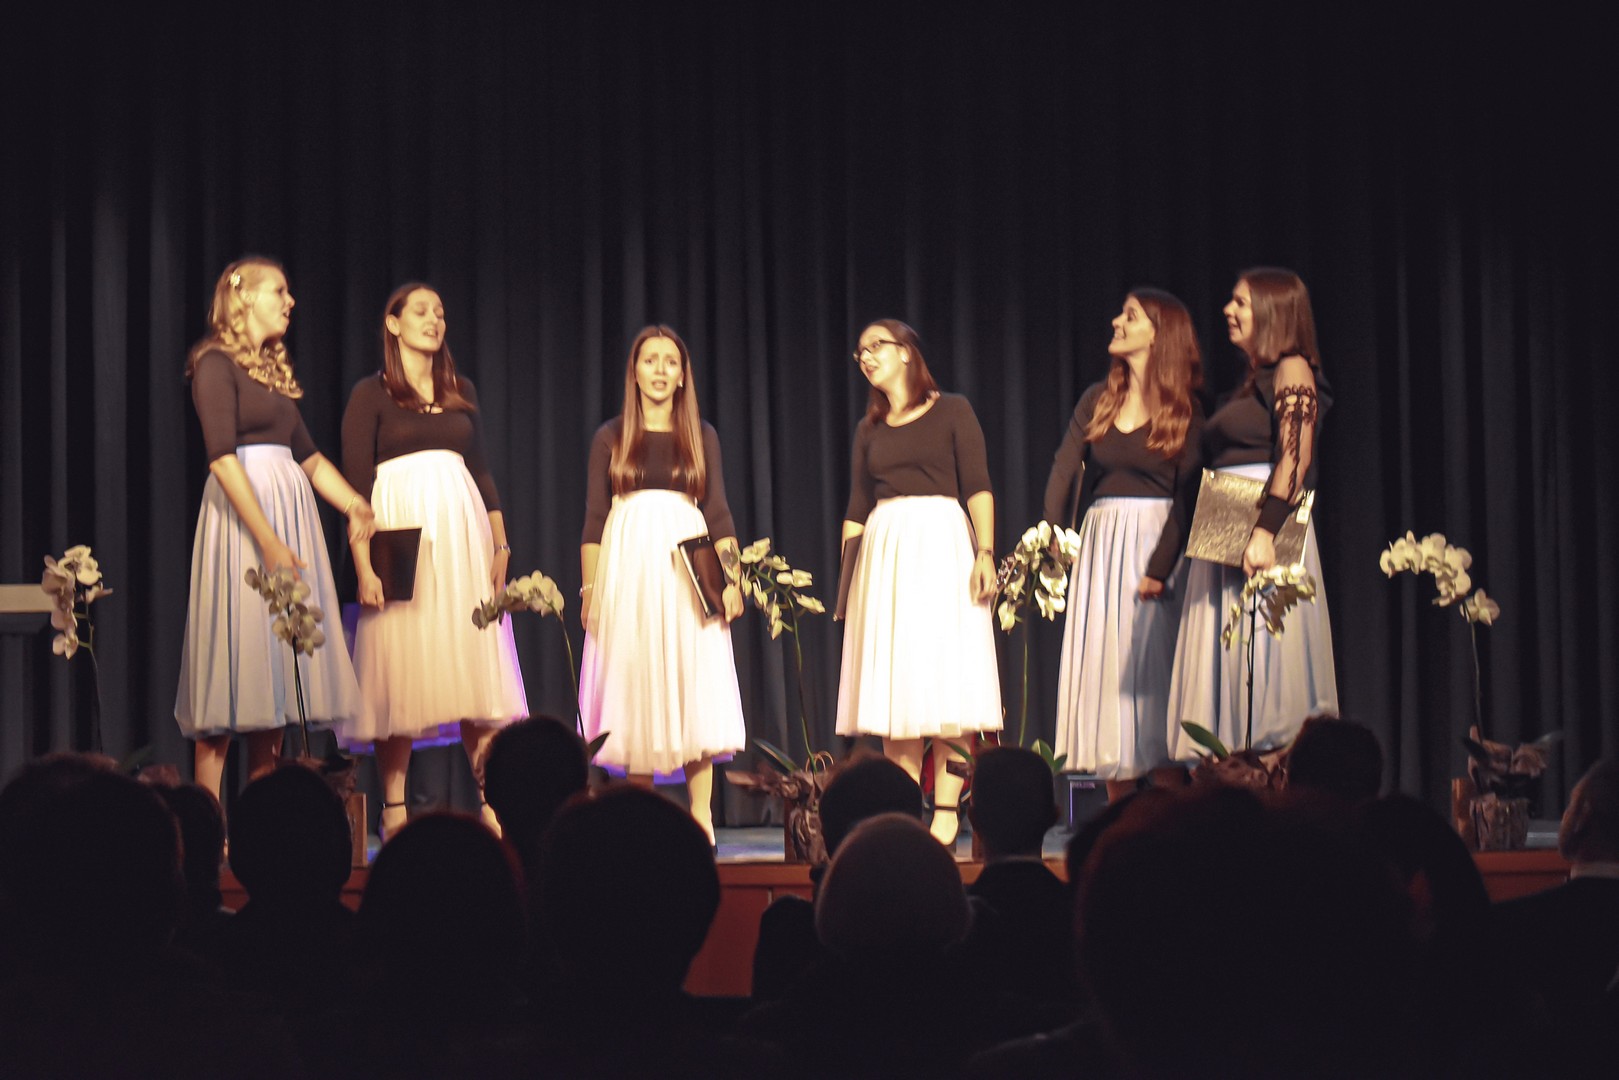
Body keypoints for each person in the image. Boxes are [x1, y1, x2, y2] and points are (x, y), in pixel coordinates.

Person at [175, 258, 373, 799]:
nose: (291, 302)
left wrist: (355, 505)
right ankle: (208, 824)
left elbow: (309, 457)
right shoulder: (214, 364)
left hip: (286, 517)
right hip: (244, 522)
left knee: (277, 681)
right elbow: (222, 458)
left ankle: (261, 822)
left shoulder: (270, 373)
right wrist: (267, 540)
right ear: (244, 298)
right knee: (230, 667)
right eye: (279, 291)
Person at [341, 283, 527, 840]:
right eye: (421, 311)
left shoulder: (460, 390)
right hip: (399, 537)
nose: (434, 320)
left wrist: (500, 545)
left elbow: (483, 472)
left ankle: (493, 803)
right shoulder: (371, 394)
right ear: (393, 323)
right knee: (399, 664)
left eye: (440, 312)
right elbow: (356, 488)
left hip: (463, 539)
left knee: (475, 666)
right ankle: (395, 809)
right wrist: (364, 566)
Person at [577, 326, 747, 845]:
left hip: (687, 566)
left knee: (693, 676)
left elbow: (718, 512)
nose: (659, 369)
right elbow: (594, 520)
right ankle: (640, 816)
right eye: (649, 360)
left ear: (682, 376)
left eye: (669, 362)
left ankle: (701, 815)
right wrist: (590, 591)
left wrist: (733, 578)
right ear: (634, 371)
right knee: (634, 678)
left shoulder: (701, 435)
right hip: (628, 567)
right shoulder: (611, 437)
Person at [837, 319, 1003, 846]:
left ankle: (948, 809)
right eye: (860, 352)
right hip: (887, 553)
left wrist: (985, 552)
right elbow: (857, 507)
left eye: (876, 346)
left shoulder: (953, 410)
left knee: (947, 679)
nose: (867, 357)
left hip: (941, 546)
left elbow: (978, 486)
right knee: (897, 686)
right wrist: (846, 585)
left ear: (907, 352)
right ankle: (906, 805)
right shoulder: (869, 429)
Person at [1168, 268, 1337, 758]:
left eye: (1241, 302)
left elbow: (1295, 458)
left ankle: (1272, 787)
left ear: (1272, 311)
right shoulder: (1249, 382)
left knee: (1267, 668)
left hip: (1266, 522)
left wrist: (1265, 531)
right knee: (1227, 669)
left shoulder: (1293, 367)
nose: (1228, 310)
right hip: (1227, 521)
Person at [1043, 290, 1204, 802]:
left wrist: (1159, 567)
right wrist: (1052, 538)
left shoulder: (1184, 408)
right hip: (1103, 543)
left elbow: (1190, 496)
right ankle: (1121, 818)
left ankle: (1172, 812)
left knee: (1155, 675)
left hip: (1157, 544)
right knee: (1107, 671)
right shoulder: (1099, 398)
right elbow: (1065, 466)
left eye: (1130, 316)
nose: (1116, 321)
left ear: (1159, 334)